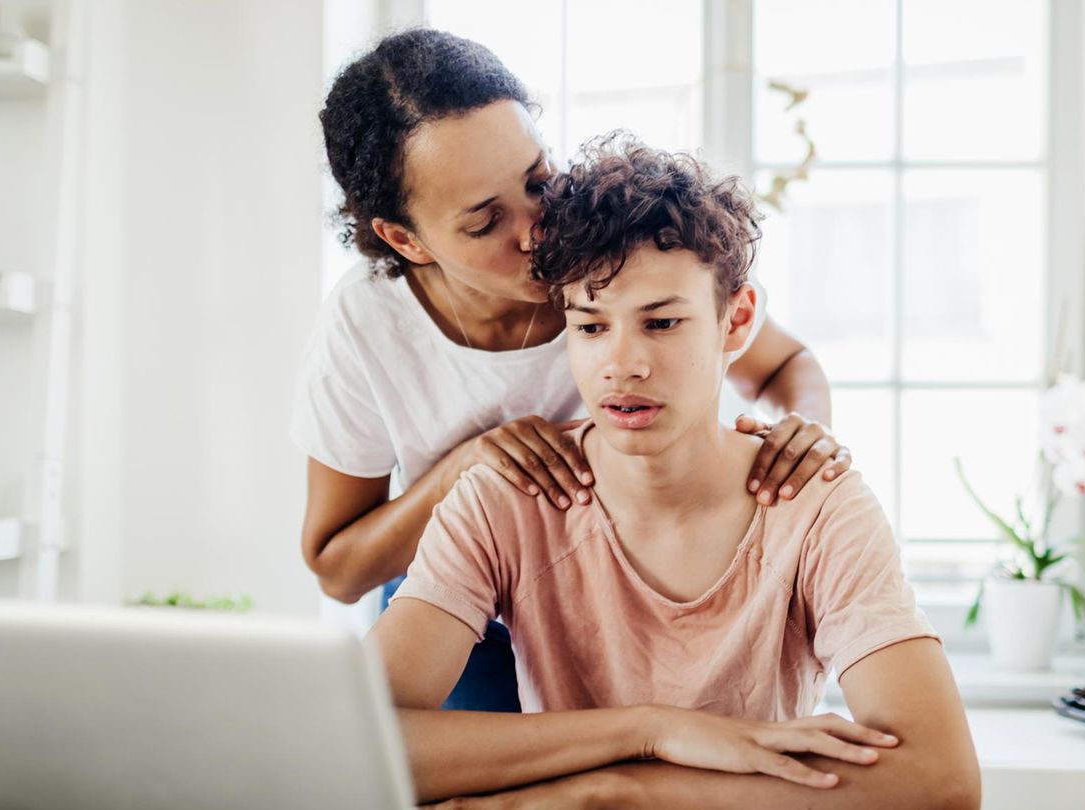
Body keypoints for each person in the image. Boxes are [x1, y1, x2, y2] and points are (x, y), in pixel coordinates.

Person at [369, 135, 979, 809]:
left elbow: (941, 782)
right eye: (591, 328)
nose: (621, 365)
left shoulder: (816, 505)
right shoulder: (504, 499)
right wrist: (650, 732)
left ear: (736, 322)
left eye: (661, 323)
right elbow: (360, 743)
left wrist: (616, 793)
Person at [295, 28, 853, 712]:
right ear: (405, 239)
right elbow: (338, 570)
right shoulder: (367, 324)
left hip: (633, 575)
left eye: (537, 181)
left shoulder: (612, 257)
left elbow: (786, 363)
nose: (538, 231)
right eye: (484, 222)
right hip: (465, 601)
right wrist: (464, 468)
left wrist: (804, 436)